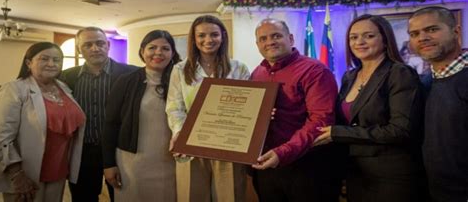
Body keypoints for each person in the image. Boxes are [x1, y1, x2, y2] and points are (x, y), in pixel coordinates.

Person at [314, 14, 426, 202]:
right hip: (356, 173)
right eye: (353, 37)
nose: (360, 42)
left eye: (369, 36)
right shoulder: (349, 76)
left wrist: (341, 133)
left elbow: (400, 130)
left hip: (391, 175)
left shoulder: (399, 73)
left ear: (385, 39)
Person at [251, 18, 341, 202]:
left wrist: (283, 152)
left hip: (307, 166)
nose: (270, 42)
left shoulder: (315, 71)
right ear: (257, 44)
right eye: (263, 38)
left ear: (291, 38)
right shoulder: (257, 73)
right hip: (267, 165)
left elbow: (321, 122)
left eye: (276, 35)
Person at [166, 15, 250, 202]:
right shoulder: (180, 69)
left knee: (230, 197)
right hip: (191, 142)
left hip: (228, 143)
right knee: (191, 196)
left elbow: (246, 108)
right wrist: (179, 132)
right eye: (201, 35)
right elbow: (174, 107)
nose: (208, 40)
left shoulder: (238, 68)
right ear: (194, 39)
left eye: (214, 35)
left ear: (223, 37)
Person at [0, 42, 85, 202]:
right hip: (26, 173)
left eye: (57, 60)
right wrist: (17, 174)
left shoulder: (64, 88)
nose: (51, 64)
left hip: (58, 169)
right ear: (29, 63)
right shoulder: (14, 89)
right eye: (44, 59)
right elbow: (0, 137)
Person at [102, 30, 180, 201]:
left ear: (172, 53)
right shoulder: (125, 81)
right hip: (133, 162)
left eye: (165, 48)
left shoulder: (181, 81)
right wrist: (108, 164)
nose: (158, 53)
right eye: (152, 47)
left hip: (171, 162)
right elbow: (110, 123)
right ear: (143, 51)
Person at [61, 27, 137, 202]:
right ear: (79, 49)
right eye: (88, 45)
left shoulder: (132, 74)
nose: (95, 48)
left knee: (122, 197)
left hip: (119, 151)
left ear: (108, 45)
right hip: (82, 151)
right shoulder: (66, 77)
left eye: (100, 43)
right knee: (83, 198)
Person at [408, 6, 467, 202]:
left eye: (432, 29)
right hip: (433, 190)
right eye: (415, 34)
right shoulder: (424, 82)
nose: (422, 38)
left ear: (456, 32)